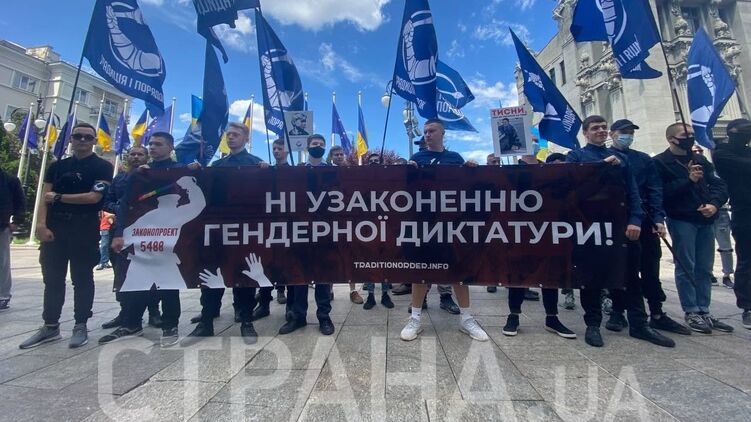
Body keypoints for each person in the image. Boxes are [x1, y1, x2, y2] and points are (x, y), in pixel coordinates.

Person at [567, 115, 674, 348]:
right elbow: (572, 186)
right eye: (595, 128)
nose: (600, 131)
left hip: (622, 226)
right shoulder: (576, 156)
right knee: (591, 278)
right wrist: (602, 166)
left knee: (630, 276)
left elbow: (633, 192)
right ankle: (593, 324)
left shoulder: (623, 159)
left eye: (603, 127)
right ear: (585, 133)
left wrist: (635, 220)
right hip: (590, 227)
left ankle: (639, 324)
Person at [20, 122, 113, 349]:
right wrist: (40, 225)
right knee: (52, 280)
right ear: (71, 139)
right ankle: (50, 325)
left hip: (84, 228)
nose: (82, 140)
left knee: (82, 279)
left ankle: (80, 324)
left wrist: (59, 197)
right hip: (55, 228)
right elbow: (44, 197)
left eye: (88, 137)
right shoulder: (57, 166)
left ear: (94, 141)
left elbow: (93, 197)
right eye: (78, 136)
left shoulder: (102, 166)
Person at [400, 119, 489, 342]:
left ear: (442, 133)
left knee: (458, 271)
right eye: (425, 131)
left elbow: (466, 188)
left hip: (451, 223)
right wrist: (407, 172)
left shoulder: (455, 158)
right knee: (421, 271)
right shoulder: (417, 158)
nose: (427, 134)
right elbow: (406, 189)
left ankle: (467, 319)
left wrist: (471, 171)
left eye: (432, 130)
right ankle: (415, 318)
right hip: (424, 223)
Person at [103, 132, 192, 347]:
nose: (152, 147)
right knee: (136, 282)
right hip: (141, 237)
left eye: (158, 144)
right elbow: (125, 205)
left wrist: (195, 171)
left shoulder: (180, 170)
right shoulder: (139, 173)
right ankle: (131, 323)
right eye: (150, 144)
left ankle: (170, 326)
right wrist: (119, 233)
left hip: (169, 237)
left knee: (168, 284)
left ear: (170, 147)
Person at [183, 123, 267, 345]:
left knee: (245, 276)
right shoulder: (217, 165)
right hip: (218, 230)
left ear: (246, 139)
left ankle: (246, 321)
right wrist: (196, 172)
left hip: (245, 230)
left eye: (236, 135)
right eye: (228, 134)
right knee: (211, 274)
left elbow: (268, 194)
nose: (230, 138)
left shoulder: (256, 164)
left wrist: (269, 173)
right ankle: (206, 322)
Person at [606, 119, 691, 336]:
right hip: (616, 220)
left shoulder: (643, 159)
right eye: (623, 132)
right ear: (612, 134)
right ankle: (617, 311)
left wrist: (658, 218)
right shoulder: (604, 158)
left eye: (630, 132)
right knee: (619, 268)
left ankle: (657, 312)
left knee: (650, 268)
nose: (627, 136)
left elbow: (655, 189)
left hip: (644, 220)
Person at [654, 122, 733, 334]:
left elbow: (719, 184)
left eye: (691, 134)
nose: (689, 137)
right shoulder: (661, 162)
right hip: (681, 219)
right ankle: (691, 310)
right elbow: (661, 193)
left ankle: (704, 309)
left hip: (706, 218)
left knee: (705, 267)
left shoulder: (700, 160)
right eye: (684, 134)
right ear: (671, 138)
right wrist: (688, 180)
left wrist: (714, 204)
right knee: (686, 266)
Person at [502, 151, 576, 339]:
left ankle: (552, 317)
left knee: (549, 273)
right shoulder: (511, 169)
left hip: (548, 228)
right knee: (518, 274)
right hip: (520, 230)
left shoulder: (548, 169)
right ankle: (513, 315)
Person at [99, 145, 162, 331]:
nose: (135, 157)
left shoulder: (152, 176)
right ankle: (124, 312)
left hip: (146, 231)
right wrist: (122, 209)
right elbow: (107, 202)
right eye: (133, 154)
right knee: (121, 274)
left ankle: (154, 312)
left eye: (140, 154)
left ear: (146, 157)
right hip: (120, 231)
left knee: (151, 273)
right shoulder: (119, 179)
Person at [279, 134, 335, 336]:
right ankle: (298, 316)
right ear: (308, 147)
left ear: (325, 147)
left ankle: (324, 317)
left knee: (322, 277)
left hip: (325, 230)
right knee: (299, 275)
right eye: (314, 144)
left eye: (321, 144)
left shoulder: (334, 171)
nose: (317, 146)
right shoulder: (298, 170)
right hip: (301, 230)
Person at [712, 118, 751, 329]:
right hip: (744, 212)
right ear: (730, 132)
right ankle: (748, 306)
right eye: (743, 130)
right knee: (747, 260)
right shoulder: (722, 153)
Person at [253, 138, 289, 320]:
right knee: (266, 264)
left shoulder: (294, 172)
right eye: (274, 148)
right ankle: (264, 304)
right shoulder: (267, 170)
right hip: (268, 224)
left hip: (288, 224)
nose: (276, 151)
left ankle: (288, 303)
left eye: (279, 148)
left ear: (287, 151)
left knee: (287, 264)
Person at [0, 167, 24, 311]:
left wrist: (16, 221)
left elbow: (20, 203)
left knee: (2, 262)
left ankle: (2, 295)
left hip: (1, 226)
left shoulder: (9, 180)